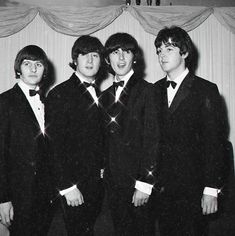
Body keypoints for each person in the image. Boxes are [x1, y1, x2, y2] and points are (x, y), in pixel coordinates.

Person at [153, 26, 225, 235]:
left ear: (184, 52)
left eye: (168, 49)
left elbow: (215, 142)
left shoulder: (206, 89)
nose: (162, 55)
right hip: (162, 189)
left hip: (194, 188)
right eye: (159, 50)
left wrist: (211, 189)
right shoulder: (154, 89)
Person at [45, 35, 106, 236]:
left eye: (95, 55)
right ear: (75, 59)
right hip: (73, 187)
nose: (89, 60)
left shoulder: (101, 95)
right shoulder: (59, 94)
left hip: (96, 184)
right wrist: (67, 187)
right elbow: (53, 146)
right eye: (84, 54)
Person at [102, 32, 158, 235]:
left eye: (126, 52)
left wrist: (144, 184)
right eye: (115, 52)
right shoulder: (104, 96)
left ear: (135, 57)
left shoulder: (148, 91)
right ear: (108, 59)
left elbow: (153, 139)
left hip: (138, 185)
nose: (121, 58)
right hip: (113, 185)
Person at [0, 45, 52, 236]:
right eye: (27, 63)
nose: (32, 69)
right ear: (18, 68)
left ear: (44, 69)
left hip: (46, 195)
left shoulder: (49, 102)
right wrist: (3, 199)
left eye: (38, 64)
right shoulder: (4, 102)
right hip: (17, 196)